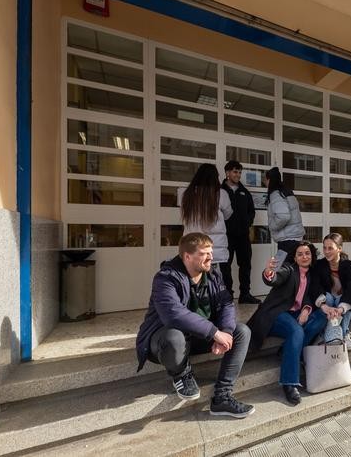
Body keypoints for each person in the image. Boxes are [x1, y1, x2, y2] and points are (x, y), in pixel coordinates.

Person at [135, 233, 254, 418]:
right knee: (173, 337)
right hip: (164, 342)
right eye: (205, 253)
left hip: (199, 337)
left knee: (241, 331)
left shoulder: (213, 274)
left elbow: (226, 304)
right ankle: (182, 374)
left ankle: (222, 397)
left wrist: (226, 332)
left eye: (211, 252)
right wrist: (214, 333)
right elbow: (173, 314)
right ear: (187, 256)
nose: (211, 257)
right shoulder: (165, 278)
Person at [246, 241, 328, 405]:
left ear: (312, 257)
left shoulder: (311, 274)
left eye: (307, 253)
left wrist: (306, 309)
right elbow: (274, 278)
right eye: (300, 254)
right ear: (295, 258)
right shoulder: (289, 270)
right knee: (296, 331)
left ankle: (287, 351)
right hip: (276, 313)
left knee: (321, 317)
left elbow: (309, 297)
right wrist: (269, 272)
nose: (304, 256)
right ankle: (289, 383)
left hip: (295, 313)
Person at [180, 163, 234, 296]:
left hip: (192, 247)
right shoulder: (221, 194)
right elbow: (228, 214)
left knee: (194, 282)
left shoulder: (187, 194)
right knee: (220, 283)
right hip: (215, 249)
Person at [311, 233, 351, 351]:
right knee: (329, 298)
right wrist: (324, 306)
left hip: (343, 303)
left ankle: (345, 333)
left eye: (330, 248)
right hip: (328, 302)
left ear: (339, 249)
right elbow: (315, 286)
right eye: (324, 248)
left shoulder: (349, 266)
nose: (326, 251)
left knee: (346, 300)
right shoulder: (319, 265)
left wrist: (341, 309)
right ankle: (328, 331)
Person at [222, 160, 261, 304]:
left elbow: (251, 211)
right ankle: (227, 295)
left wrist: (248, 223)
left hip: (243, 235)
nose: (238, 175)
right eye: (235, 171)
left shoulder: (244, 192)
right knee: (225, 266)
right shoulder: (220, 191)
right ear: (227, 173)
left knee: (245, 265)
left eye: (239, 172)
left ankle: (245, 294)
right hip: (226, 236)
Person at [264, 167, 305, 257]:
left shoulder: (276, 194)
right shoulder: (286, 192)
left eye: (265, 180)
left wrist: (272, 227)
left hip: (287, 240)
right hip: (295, 237)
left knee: (285, 268)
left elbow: (283, 216)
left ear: (269, 180)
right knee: (295, 267)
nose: (265, 183)